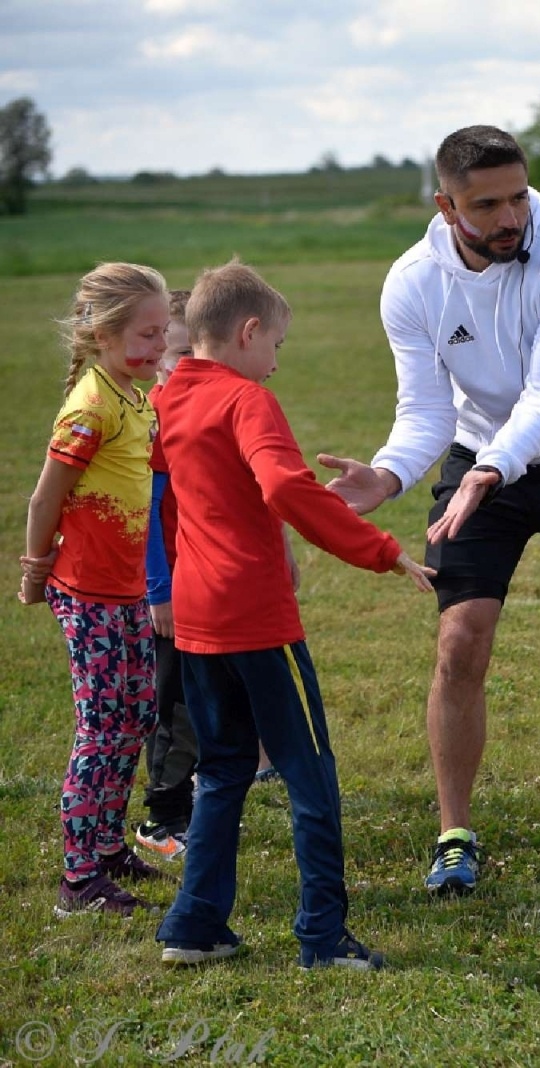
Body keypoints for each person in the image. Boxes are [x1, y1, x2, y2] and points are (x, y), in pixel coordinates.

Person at [316, 125, 540, 888]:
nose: (511, 218)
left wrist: (496, 468)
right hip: (479, 455)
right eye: (487, 205)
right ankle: (454, 834)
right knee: (460, 643)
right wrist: (388, 476)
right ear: (446, 206)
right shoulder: (412, 283)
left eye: (518, 196)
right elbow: (424, 412)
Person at [153, 262, 434, 970]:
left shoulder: (168, 398)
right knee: (309, 773)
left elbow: (162, 502)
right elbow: (284, 484)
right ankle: (321, 938)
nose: (276, 362)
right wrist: (379, 549)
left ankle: (194, 928)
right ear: (248, 333)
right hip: (255, 618)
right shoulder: (245, 400)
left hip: (195, 616)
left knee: (220, 772)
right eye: (277, 345)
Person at [19, 263, 170, 917]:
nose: (158, 346)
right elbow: (45, 496)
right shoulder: (90, 405)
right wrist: (33, 572)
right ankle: (78, 881)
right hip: (90, 595)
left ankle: (109, 850)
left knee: (134, 718)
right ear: (101, 333)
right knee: (102, 730)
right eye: (146, 333)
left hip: (127, 587)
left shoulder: (134, 391)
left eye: (163, 332)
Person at [134, 289, 199, 861]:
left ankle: (196, 799)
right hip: (172, 591)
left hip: (206, 582)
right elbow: (150, 511)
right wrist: (159, 591)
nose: (186, 365)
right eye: (177, 353)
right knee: (172, 701)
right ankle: (162, 819)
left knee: (207, 694)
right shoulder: (153, 415)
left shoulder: (205, 406)